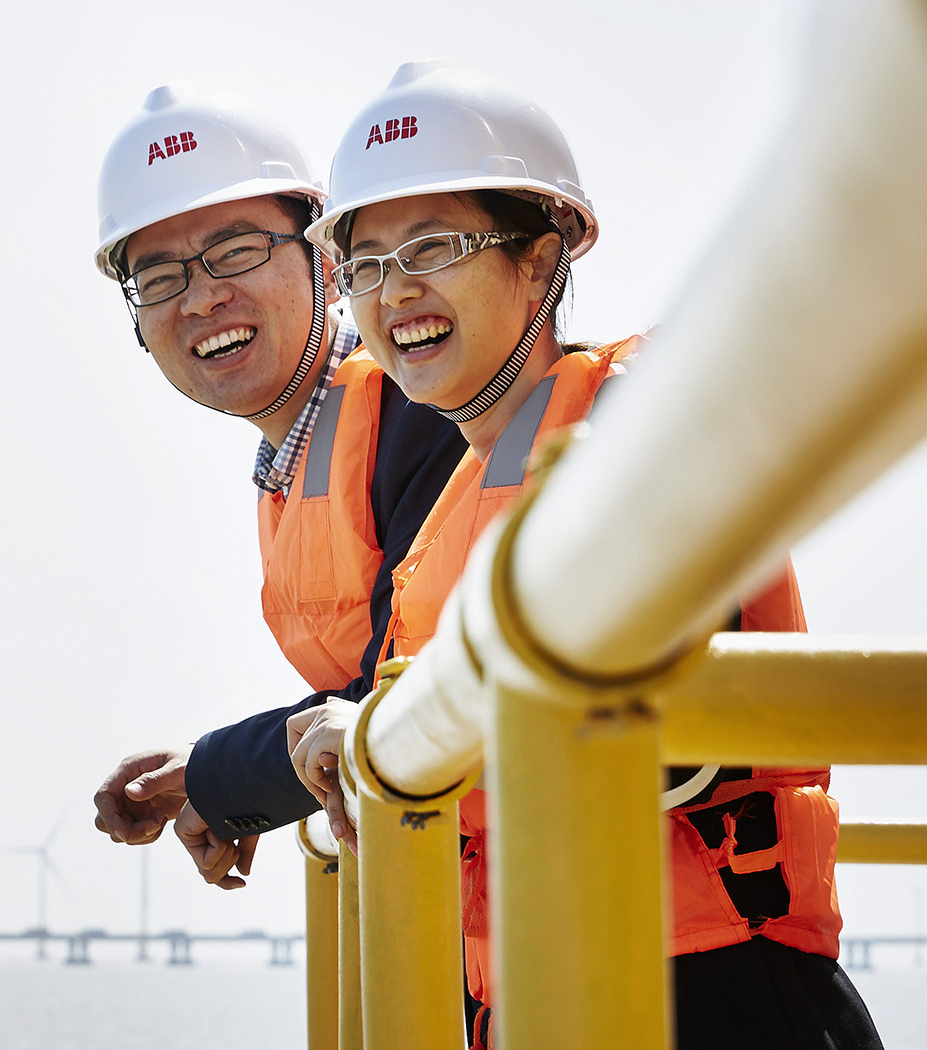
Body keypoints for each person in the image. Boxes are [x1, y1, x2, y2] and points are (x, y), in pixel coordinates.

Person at [282, 61, 878, 1050]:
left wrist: (387, 751)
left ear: (543, 258)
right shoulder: (446, 520)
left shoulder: (632, 425)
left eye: (434, 246)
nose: (396, 293)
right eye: (367, 264)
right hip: (539, 994)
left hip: (707, 987)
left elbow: (666, 749)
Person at [83, 84, 468, 889]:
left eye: (235, 253)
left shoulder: (428, 411)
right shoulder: (298, 460)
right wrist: (214, 775)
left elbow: (419, 696)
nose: (200, 297)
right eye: (158, 278)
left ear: (325, 257)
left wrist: (219, 775)